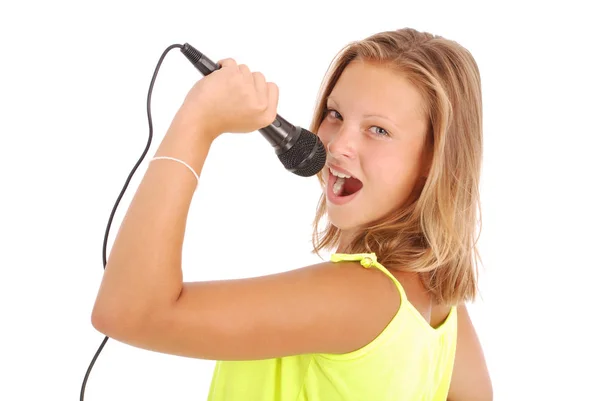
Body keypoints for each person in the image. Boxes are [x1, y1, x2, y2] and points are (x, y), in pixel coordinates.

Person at [91, 28, 493, 400]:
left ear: (434, 159)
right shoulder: (439, 304)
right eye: (335, 114)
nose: (337, 146)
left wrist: (197, 121)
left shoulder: (360, 296)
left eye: (378, 130)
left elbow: (129, 311)